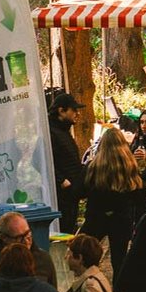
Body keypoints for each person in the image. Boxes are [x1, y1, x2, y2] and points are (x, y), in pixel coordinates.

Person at [81, 127, 146, 276]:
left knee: (88, 253)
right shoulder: (130, 167)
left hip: (95, 216)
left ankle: (90, 285)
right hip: (121, 217)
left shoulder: (92, 167)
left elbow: (82, 191)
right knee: (119, 258)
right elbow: (137, 194)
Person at [0, 211, 57, 287]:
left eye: (28, 234)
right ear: (4, 238)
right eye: (19, 238)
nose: (26, 241)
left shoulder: (44, 259)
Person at [48, 93, 86, 230]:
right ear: (61, 111)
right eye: (74, 110)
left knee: (70, 228)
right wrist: (61, 181)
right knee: (64, 229)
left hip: (71, 193)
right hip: (62, 196)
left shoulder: (63, 131)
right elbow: (42, 161)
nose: (77, 114)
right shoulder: (51, 132)